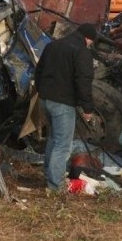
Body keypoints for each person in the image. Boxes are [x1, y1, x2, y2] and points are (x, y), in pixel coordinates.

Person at [34, 23, 97, 191]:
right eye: (91, 42)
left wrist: (41, 92)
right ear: (88, 39)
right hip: (63, 104)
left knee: (54, 139)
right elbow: (83, 81)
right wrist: (88, 108)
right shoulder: (82, 51)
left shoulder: (52, 45)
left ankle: (49, 175)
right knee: (63, 145)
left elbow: (38, 71)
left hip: (46, 100)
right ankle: (56, 186)